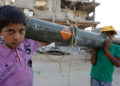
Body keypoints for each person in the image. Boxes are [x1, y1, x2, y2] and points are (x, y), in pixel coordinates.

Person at [0, 5, 50, 86]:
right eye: (10, 31)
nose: (17, 37)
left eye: (21, 30)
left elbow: (47, 40)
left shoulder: (27, 44)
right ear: (1, 31)